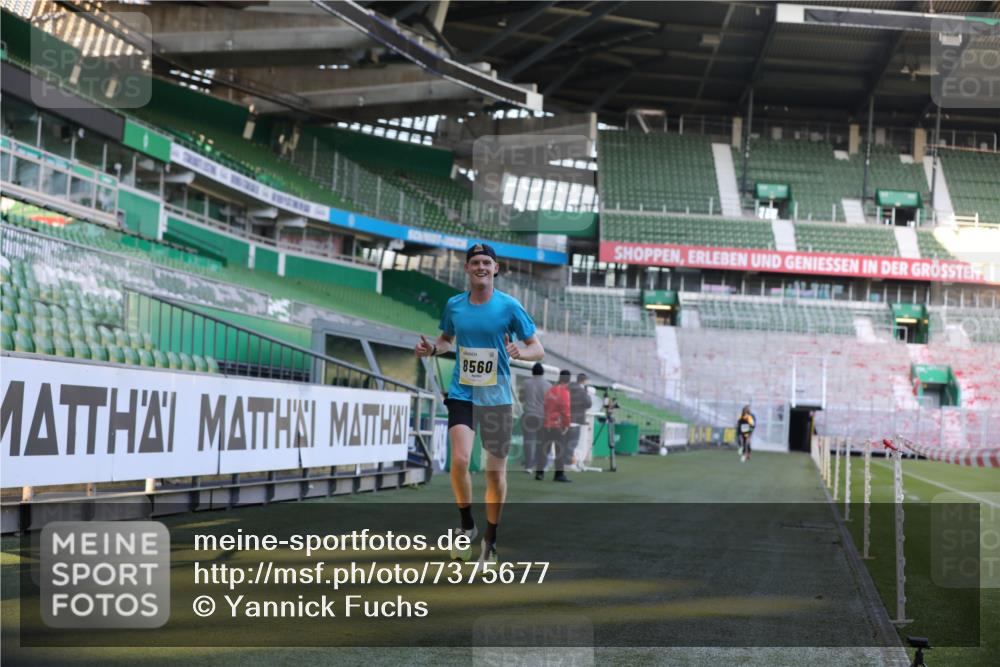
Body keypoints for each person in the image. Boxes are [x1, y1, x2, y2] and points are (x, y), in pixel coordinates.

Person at [415, 243, 544, 564]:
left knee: (494, 473)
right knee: (459, 460)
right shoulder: (454, 305)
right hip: (463, 393)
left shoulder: (510, 306)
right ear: (467, 269)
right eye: (475, 262)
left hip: (497, 398)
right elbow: (446, 340)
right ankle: (466, 525)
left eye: (487, 262)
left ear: (496, 269)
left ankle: (491, 537)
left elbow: (537, 348)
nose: (481, 267)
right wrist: (433, 349)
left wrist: (521, 353)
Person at [536, 369, 572, 483]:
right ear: (568, 380)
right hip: (557, 425)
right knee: (559, 450)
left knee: (544, 449)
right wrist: (566, 424)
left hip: (546, 423)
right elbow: (566, 410)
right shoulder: (564, 392)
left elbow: (545, 406)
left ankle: (540, 473)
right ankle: (559, 474)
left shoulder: (550, 390)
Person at [518, 362, 549, 474]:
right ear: (543, 372)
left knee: (528, 441)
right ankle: (540, 464)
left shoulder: (525, 383)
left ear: (532, 372)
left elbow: (521, 399)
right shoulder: (547, 385)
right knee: (541, 442)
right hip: (542, 416)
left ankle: (528, 466)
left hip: (528, 415)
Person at [567, 373, 592, 471]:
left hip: (566, 418)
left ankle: (567, 461)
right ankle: (570, 463)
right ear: (584, 380)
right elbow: (588, 404)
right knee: (573, 443)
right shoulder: (582, 391)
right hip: (576, 419)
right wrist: (588, 395)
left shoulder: (568, 388)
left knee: (566, 442)